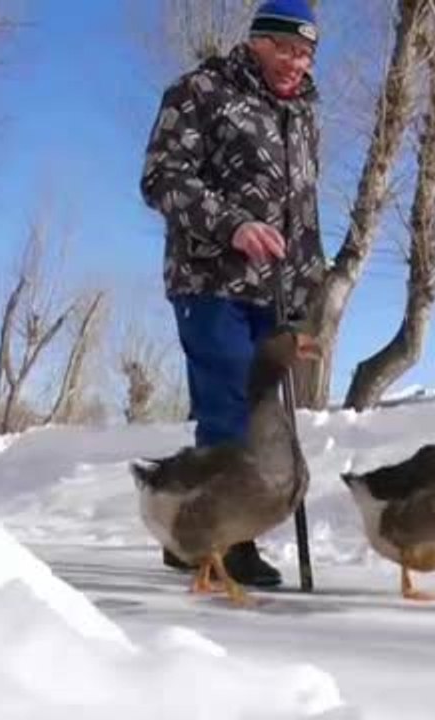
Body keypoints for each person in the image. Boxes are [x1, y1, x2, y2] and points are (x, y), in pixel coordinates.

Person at [139, 0, 325, 588]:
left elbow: (303, 209)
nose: (297, 62)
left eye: (307, 52)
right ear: (257, 42)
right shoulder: (201, 90)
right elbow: (163, 177)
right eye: (287, 49)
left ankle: (194, 534)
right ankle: (226, 538)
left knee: (269, 418)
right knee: (231, 409)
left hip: (273, 291)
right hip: (210, 280)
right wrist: (232, 226)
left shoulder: (302, 112)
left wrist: (304, 287)